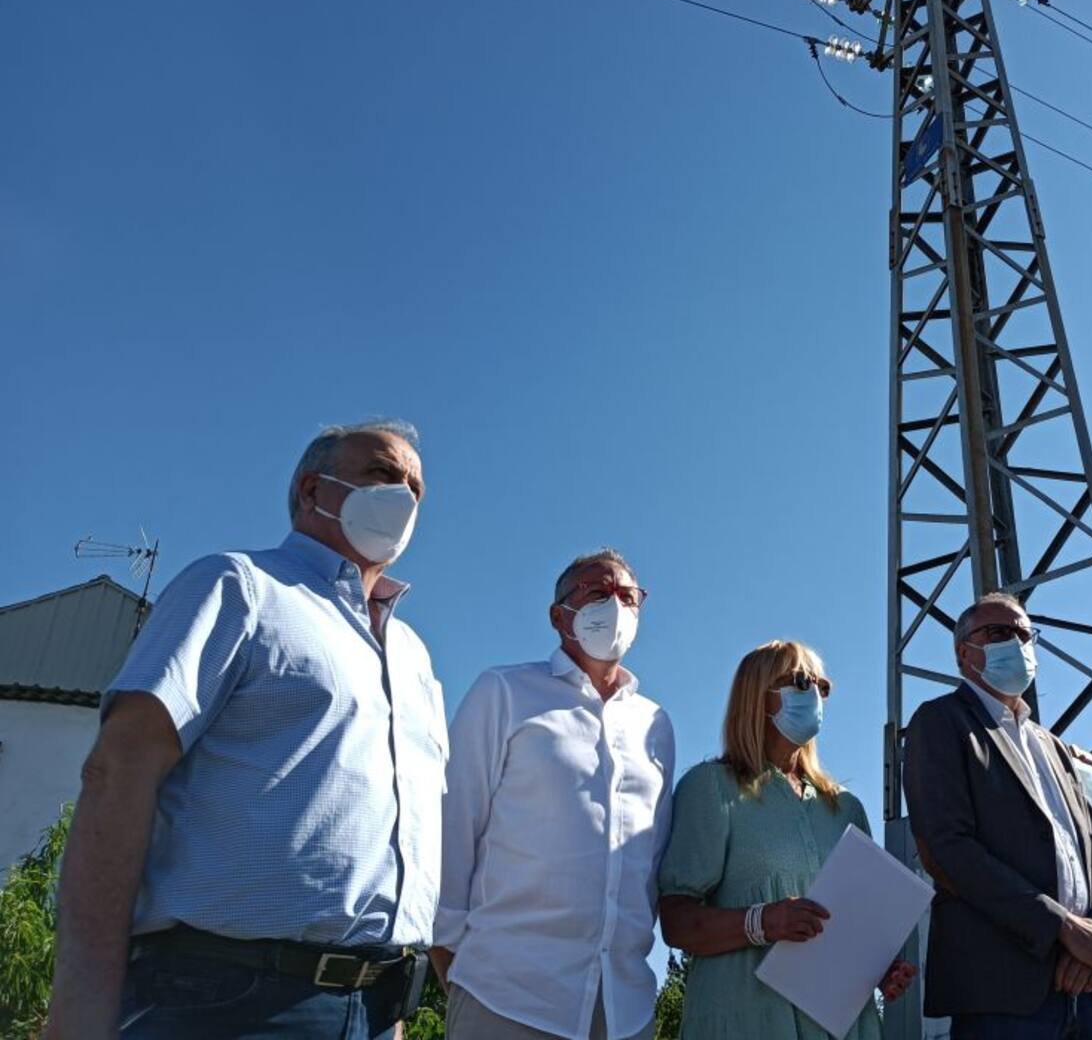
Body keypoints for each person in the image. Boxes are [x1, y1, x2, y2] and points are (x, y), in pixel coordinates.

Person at [44, 419, 448, 1040]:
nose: (404, 498)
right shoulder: (240, 587)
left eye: (415, 489)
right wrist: (81, 1012)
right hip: (225, 996)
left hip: (372, 1007)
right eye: (382, 474)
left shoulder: (412, 655)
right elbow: (118, 771)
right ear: (312, 490)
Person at [431, 548, 675, 1040]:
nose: (615, 606)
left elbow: (652, 859)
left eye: (628, 596)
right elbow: (452, 827)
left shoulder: (656, 724)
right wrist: (452, 962)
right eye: (597, 592)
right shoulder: (504, 691)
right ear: (558, 615)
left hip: (624, 1009)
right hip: (507, 996)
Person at [658, 640, 915, 1039]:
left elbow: (854, 921)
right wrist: (762, 921)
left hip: (839, 1026)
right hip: (746, 1020)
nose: (814, 695)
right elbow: (677, 923)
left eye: (822, 686)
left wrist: (876, 967)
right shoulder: (710, 788)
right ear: (756, 695)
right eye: (800, 682)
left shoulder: (845, 808)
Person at [903, 591, 1092, 1039]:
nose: (1017, 643)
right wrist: (1062, 927)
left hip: (1083, 989)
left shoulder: (1053, 747)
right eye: (999, 632)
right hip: (1001, 994)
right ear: (964, 653)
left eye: (1025, 634)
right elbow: (947, 849)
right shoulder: (942, 722)